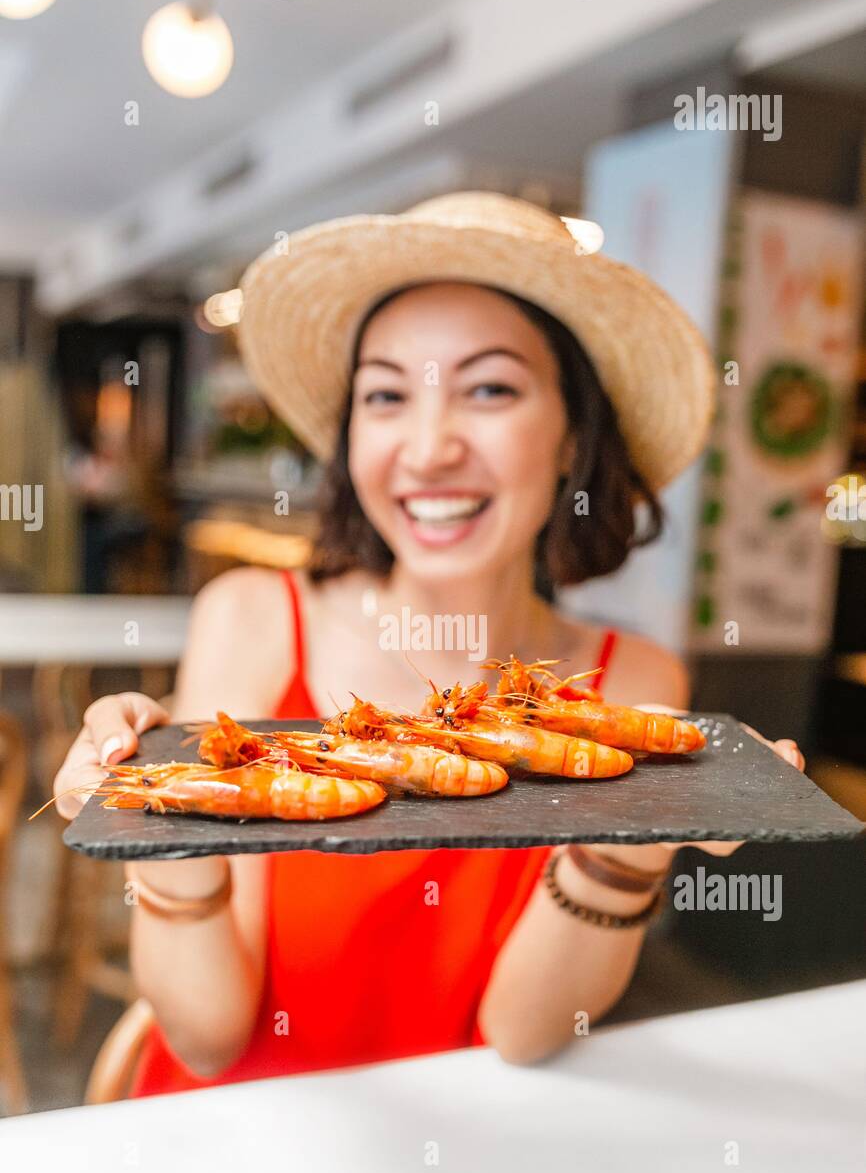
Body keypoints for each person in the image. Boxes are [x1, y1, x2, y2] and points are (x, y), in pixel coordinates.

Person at [53, 192, 803, 1094]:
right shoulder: (251, 619)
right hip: (232, 1147)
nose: (429, 446)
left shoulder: (632, 680)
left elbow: (526, 1034)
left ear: (573, 437)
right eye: (385, 395)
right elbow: (208, 1040)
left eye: (490, 388)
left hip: (468, 1166)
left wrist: (640, 842)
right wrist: (160, 830)